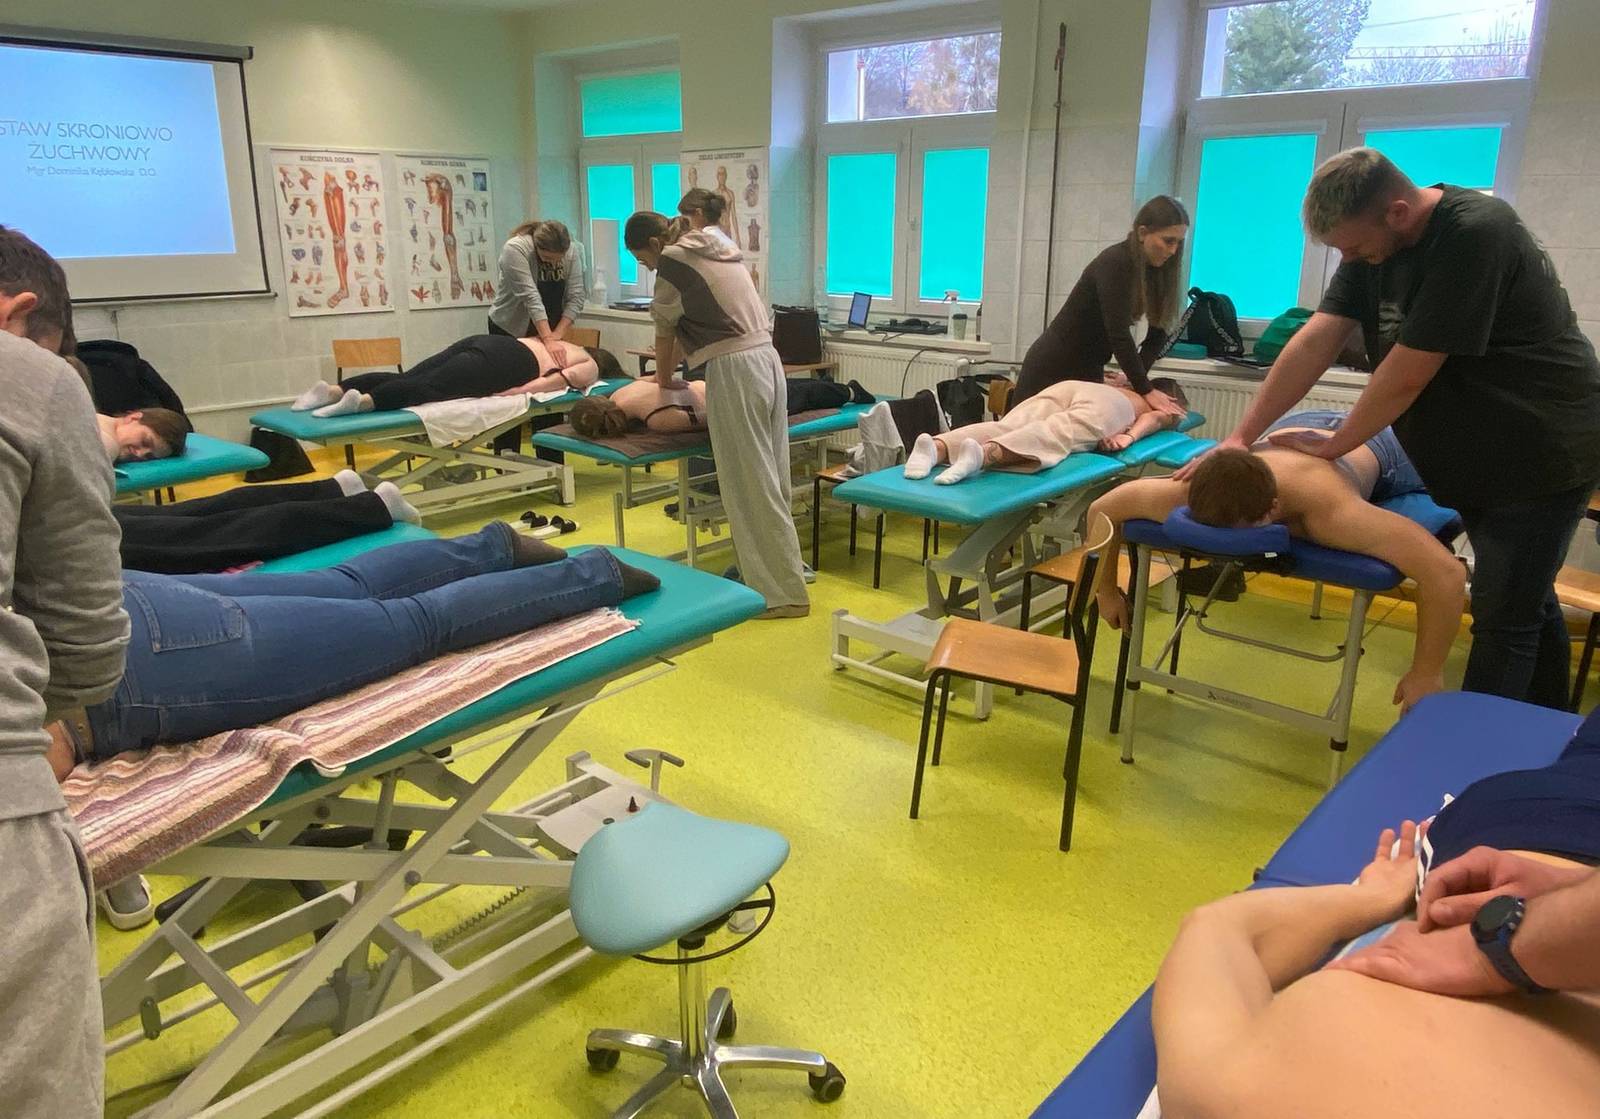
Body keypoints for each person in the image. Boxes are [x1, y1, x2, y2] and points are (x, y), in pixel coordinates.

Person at [1177, 147, 1600, 710]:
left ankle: (1475, 759)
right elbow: (1316, 339)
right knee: (1526, 601)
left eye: (1352, 247)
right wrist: (1239, 438)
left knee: (1504, 618)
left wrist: (1338, 443)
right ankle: (1549, 730)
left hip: (1542, 449)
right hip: (1479, 453)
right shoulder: (1374, 246)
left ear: (1397, 212)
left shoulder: (1476, 233)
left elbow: (1407, 373)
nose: (1348, 259)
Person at [1150, 708, 1600, 1119]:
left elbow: (1220, 930)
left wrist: (1374, 900)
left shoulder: (1246, 1094)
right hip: (1533, 852)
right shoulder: (1241, 1095)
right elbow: (1220, 931)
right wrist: (1514, 941)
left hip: (1531, 844)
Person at [46, 525, 659, 774]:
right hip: (112, 599)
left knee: (413, 625)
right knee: (344, 585)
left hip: (127, 675)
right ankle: (494, 547)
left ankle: (592, 575)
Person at [0, 226, 131, 1118]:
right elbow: (87, 651)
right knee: (377, 607)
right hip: (86, 692)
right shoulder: (35, 384)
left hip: (153, 608)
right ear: (19, 313)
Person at [1088, 411, 1467, 712]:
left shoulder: (1331, 514)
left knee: (1448, 467)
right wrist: (1105, 590)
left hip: (1376, 447)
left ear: (1273, 509)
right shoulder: (1183, 492)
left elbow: (1445, 574)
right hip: (1294, 426)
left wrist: (1426, 673)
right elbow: (1101, 510)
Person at [624, 210, 809, 619]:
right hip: (767, 359)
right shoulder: (716, 244)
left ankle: (781, 595)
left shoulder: (671, 262)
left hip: (735, 367)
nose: (647, 267)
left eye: (642, 259)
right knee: (771, 477)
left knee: (749, 484)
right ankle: (781, 574)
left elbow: (664, 333)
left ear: (654, 244)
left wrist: (664, 381)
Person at [1012, 195, 1190, 418]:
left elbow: (1158, 332)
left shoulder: (1157, 271)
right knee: (1021, 432)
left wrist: (1135, 380)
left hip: (1088, 368)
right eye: (1168, 241)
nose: (1173, 250)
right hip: (1052, 367)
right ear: (1142, 233)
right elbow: (1118, 334)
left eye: (1179, 242)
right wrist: (1146, 389)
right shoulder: (1115, 262)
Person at [115, 471, 419, 575]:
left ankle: (370, 507)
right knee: (198, 514)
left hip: (93, 543)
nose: (140, 455)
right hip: (96, 525)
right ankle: (333, 490)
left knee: (221, 531)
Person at [903, 377, 1190, 485]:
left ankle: (935, 447)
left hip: (1070, 386)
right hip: (1112, 406)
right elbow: (1155, 420)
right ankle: (984, 455)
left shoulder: (1127, 386)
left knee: (1010, 424)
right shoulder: (1165, 405)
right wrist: (1129, 435)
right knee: (1057, 432)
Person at [291, 335, 622, 416]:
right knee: (426, 387)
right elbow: (553, 383)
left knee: (417, 373)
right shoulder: (590, 365)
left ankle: (334, 390)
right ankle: (364, 403)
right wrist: (517, 392)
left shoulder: (567, 343)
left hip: (490, 341)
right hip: (508, 362)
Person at [568, 376, 874, 438]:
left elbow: (713, 419)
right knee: (795, 389)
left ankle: (850, 391)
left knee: (798, 394)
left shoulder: (658, 421)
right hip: (720, 387)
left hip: (730, 397)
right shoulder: (622, 392)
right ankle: (841, 389)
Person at [488, 219, 586, 342]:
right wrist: (548, 339)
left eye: (558, 259)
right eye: (547, 258)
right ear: (537, 246)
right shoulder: (515, 248)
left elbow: (576, 296)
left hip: (549, 326)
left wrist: (558, 333)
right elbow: (531, 297)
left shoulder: (571, 250)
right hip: (509, 327)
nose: (553, 263)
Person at [97, 406, 188, 462]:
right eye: (145, 442)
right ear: (134, 418)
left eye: (148, 456)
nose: (139, 454)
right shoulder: (108, 444)